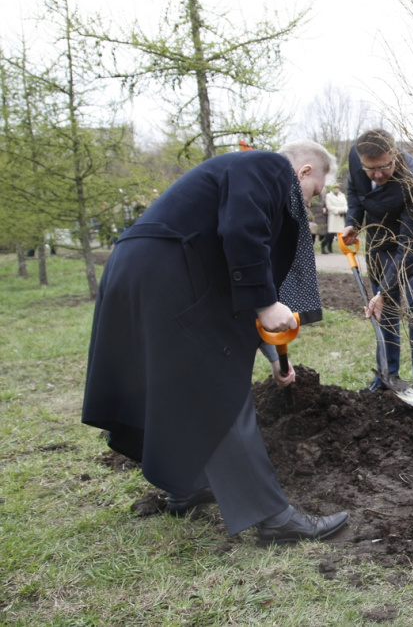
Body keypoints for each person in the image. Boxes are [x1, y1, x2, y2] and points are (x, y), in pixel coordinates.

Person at [82, 140, 349, 544]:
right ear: (306, 171)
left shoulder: (238, 178)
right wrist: (266, 303)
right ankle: (274, 518)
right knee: (217, 382)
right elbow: (243, 233)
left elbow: (233, 280)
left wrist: (275, 357)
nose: (309, 205)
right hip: (166, 271)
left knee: (175, 379)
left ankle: (184, 487)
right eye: (313, 195)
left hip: (138, 270)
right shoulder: (268, 167)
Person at [341, 129, 413, 404]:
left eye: (385, 167)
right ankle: (386, 375)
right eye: (371, 169)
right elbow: (355, 191)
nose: (378, 174)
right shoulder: (356, 157)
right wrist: (353, 221)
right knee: (385, 314)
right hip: (379, 242)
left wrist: (383, 291)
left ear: (395, 155)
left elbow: (409, 246)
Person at [323, 183, 348, 253]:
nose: (336, 189)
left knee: (341, 233)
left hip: (341, 216)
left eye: (337, 187)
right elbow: (329, 206)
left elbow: (345, 205)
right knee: (331, 233)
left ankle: (342, 247)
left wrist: (343, 210)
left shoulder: (342, 195)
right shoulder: (328, 196)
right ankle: (329, 246)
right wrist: (337, 210)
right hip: (333, 215)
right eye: (335, 187)